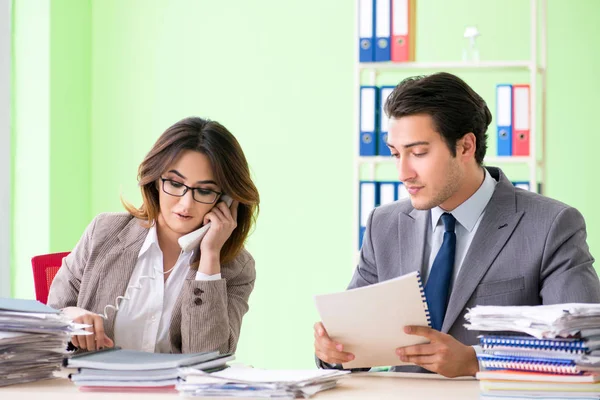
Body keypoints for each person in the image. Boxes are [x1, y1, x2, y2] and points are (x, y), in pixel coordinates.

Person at [314, 72, 600, 377]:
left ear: (465, 147)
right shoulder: (383, 225)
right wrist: (334, 353)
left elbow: (586, 348)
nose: (403, 172)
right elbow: (353, 342)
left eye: (419, 153)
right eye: (395, 154)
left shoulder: (551, 225)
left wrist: (476, 360)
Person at [48, 117, 260, 354]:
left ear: (226, 200)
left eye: (205, 190)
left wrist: (210, 258)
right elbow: (49, 317)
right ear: (156, 180)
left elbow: (209, 359)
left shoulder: (237, 268)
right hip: (95, 388)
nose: (186, 203)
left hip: (172, 392)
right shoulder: (103, 232)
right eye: (175, 183)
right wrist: (71, 315)